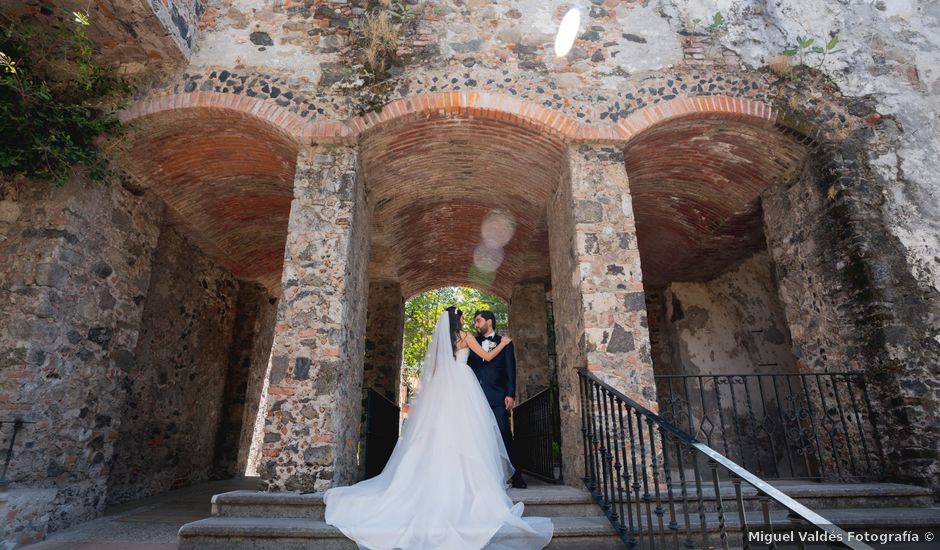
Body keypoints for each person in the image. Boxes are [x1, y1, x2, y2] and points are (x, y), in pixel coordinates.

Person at [324, 308, 553, 550]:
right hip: (463, 386)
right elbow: (486, 358)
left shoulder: (442, 342)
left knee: (439, 433)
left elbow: (431, 372)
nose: (466, 321)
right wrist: (504, 343)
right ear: (458, 320)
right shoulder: (465, 337)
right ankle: (465, 483)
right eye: (464, 317)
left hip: (443, 388)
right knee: (467, 435)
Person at [466, 310, 527, 489]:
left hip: (498, 397)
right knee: (476, 437)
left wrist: (510, 394)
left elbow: (510, 370)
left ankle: (516, 476)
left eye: (478, 321)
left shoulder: (504, 343)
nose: (475, 325)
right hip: (474, 396)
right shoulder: (471, 342)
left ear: (489, 321)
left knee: (504, 433)